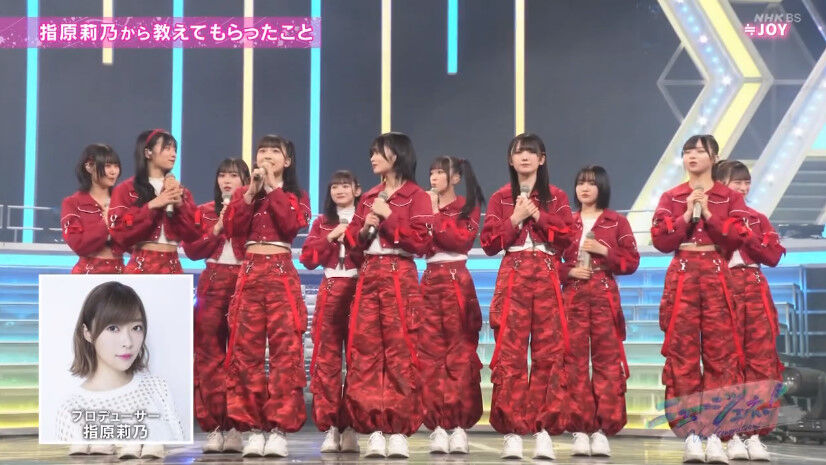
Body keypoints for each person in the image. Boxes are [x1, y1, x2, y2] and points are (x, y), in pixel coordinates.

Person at [651, 135, 750, 463]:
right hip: (682, 273)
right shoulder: (671, 196)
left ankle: (722, 434)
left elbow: (737, 238)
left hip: (716, 272)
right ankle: (692, 434)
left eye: (699, 151)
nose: (692, 156)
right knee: (683, 356)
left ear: (714, 157)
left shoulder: (728, 197)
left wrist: (708, 212)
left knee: (722, 356)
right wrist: (685, 216)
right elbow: (660, 240)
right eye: (687, 151)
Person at [479, 133, 573, 459]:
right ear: (510, 159)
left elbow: (568, 238)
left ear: (542, 159)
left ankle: (543, 431)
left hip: (546, 273)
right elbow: (489, 244)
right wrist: (515, 219)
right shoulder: (500, 197)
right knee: (510, 354)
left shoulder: (557, 196)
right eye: (518, 152)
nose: (524, 157)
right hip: (513, 273)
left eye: (531, 152)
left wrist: (538, 216)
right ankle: (513, 432)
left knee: (550, 353)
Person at [341, 132, 433, 458]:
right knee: (366, 353)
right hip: (369, 275)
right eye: (372, 153)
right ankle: (374, 430)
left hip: (400, 274)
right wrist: (361, 230)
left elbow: (421, 243)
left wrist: (389, 218)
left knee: (401, 351)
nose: (372, 158)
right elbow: (353, 244)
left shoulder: (417, 196)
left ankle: (398, 431)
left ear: (398, 155)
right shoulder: (368, 196)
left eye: (378, 153)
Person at [223, 135, 311, 457]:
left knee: (285, 353)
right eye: (262, 151)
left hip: (280, 273)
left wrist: (273, 187)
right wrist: (250, 192)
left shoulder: (296, 195)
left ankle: (278, 429)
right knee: (245, 353)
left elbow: (290, 225)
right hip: (249, 273)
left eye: (275, 151)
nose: (268, 155)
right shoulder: (245, 193)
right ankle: (252, 428)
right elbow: (233, 229)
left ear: (287, 161)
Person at [558, 165, 639, 457]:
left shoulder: (617, 222)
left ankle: (603, 431)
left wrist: (605, 251)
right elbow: (550, 261)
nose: (585, 188)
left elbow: (632, 262)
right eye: (580, 182)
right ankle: (580, 429)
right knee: (574, 363)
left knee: (607, 363)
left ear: (601, 187)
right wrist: (569, 272)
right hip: (573, 297)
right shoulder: (565, 221)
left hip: (604, 296)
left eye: (591, 183)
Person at [56, 281, 184, 460]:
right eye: (113, 328)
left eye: (136, 328)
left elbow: (180, 450)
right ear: (88, 333)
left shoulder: (158, 387)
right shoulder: (71, 409)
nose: (128, 342)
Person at [182, 158, 250, 453]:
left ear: (245, 181)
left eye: (233, 175)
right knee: (208, 356)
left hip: (245, 281)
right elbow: (192, 250)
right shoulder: (204, 211)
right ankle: (213, 427)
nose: (227, 180)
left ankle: (236, 427)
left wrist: (237, 217)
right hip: (212, 282)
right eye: (222, 175)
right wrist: (218, 227)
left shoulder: (253, 210)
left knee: (241, 356)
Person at [419, 156, 484, 454]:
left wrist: (434, 215)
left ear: (456, 178)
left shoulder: (467, 206)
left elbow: (459, 240)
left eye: (440, 173)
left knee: (460, 354)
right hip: (430, 279)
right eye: (431, 172)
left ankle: (459, 426)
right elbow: (418, 243)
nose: (434, 177)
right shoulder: (423, 205)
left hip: (458, 281)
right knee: (430, 356)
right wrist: (429, 215)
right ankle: (436, 425)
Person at [299, 170, 363, 454]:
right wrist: (329, 237)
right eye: (335, 186)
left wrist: (351, 237)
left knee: (358, 360)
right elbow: (307, 259)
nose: (339, 190)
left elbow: (368, 253)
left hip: (359, 288)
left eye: (345, 186)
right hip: (330, 287)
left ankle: (351, 428)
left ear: (357, 190)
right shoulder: (322, 222)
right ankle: (331, 427)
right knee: (326, 361)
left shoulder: (365, 220)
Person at [61, 143, 124, 274]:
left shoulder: (123, 202)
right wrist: (105, 222)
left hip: (119, 273)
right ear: (89, 167)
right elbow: (78, 245)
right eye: (107, 166)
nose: (113, 171)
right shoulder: (72, 203)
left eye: (116, 166)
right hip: (86, 274)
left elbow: (133, 243)